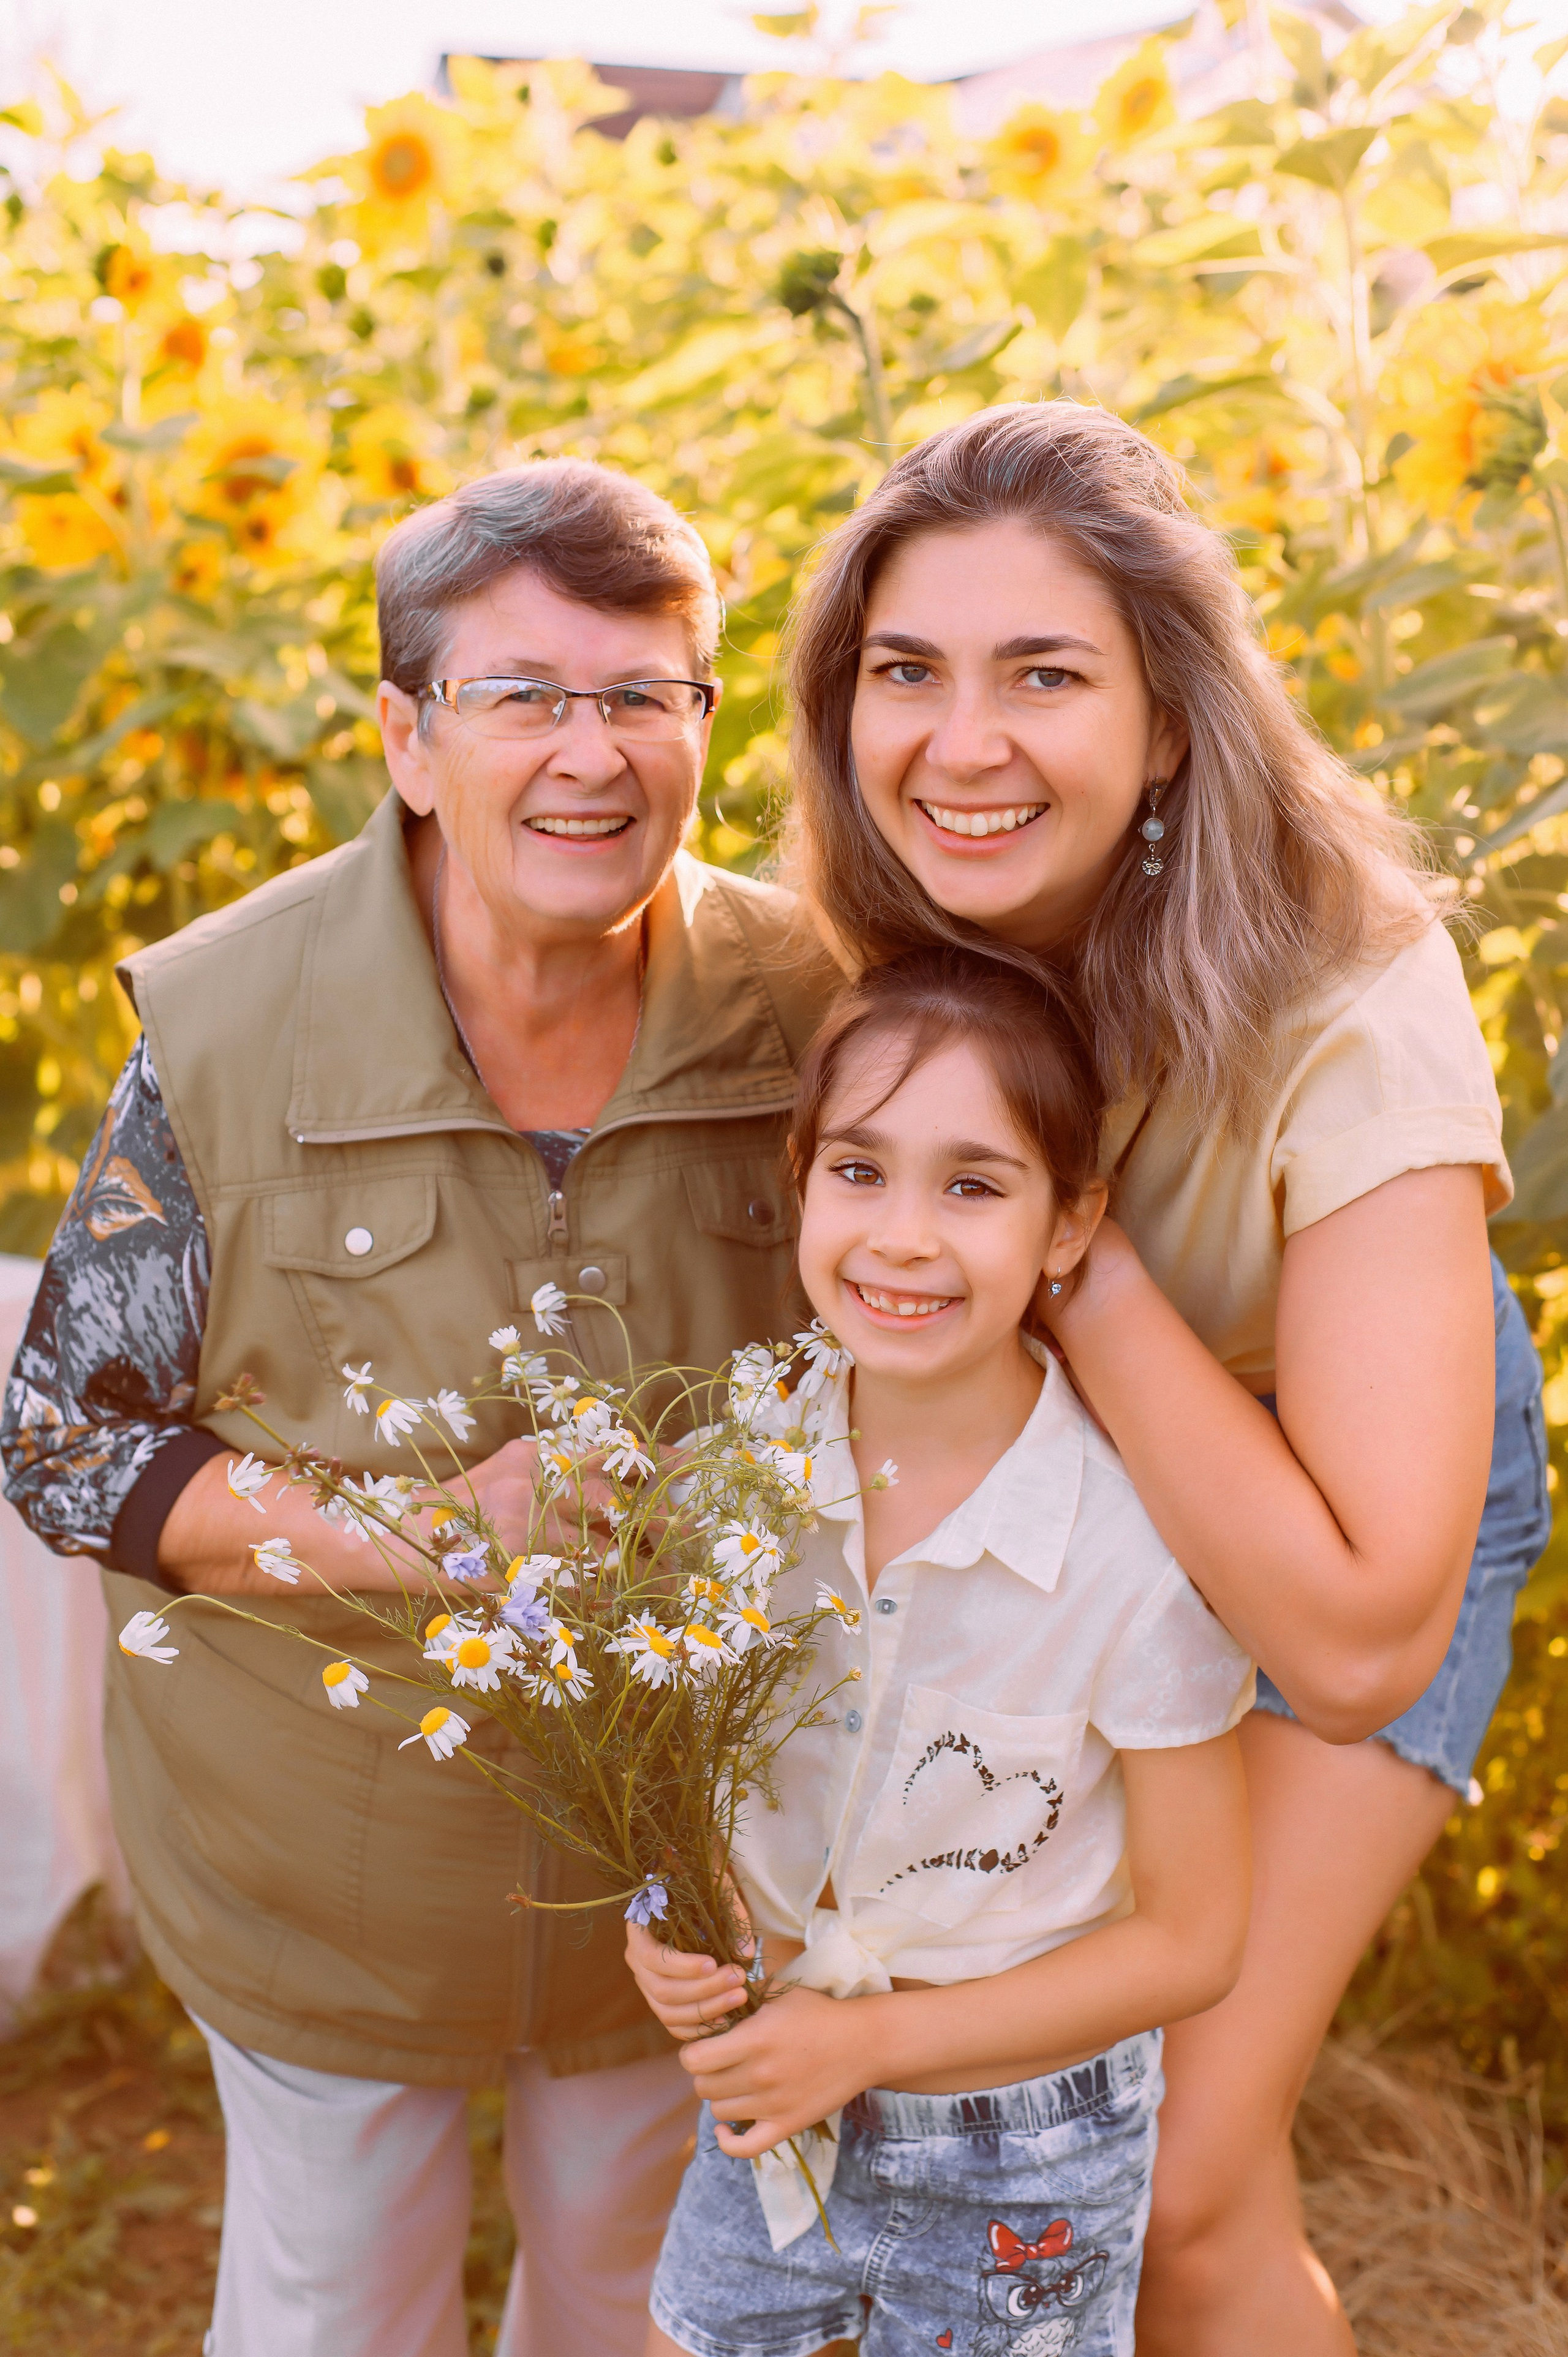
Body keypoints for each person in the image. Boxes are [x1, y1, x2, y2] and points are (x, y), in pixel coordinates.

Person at [2, 458, 837, 2357]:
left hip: (684, 1863)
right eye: (523, 696)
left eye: (646, 696)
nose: (592, 755)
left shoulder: (813, 1008)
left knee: (639, 2300)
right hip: (323, 1866)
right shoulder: (224, 1027)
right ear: (405, 737)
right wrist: (419, 1541)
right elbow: (64, 1436)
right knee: (332, 2313)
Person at [782, 402, 1551, 2356]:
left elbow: (1366, 1634)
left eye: (1044, 673)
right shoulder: (856, 941)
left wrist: (1079, 1261)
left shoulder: (1345, 988)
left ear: (1174, 719)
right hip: (1061, 1514)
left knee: (1173, 2163)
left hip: (1345, 1496)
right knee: (1165, 2201)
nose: (961, 746)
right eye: (906, 674)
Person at [627, 948, 1255, 2357]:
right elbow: (687, 1767)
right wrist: (670, 1916)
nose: (900, 1236)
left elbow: (1194, 1937)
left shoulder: (1127, 1556)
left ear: (1065, 1225)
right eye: (858, 1171)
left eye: (971, 1185)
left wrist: (870, 2044)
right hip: (781, 2088)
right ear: (799, 1179)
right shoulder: (731, 1480)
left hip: (1025, 2148)